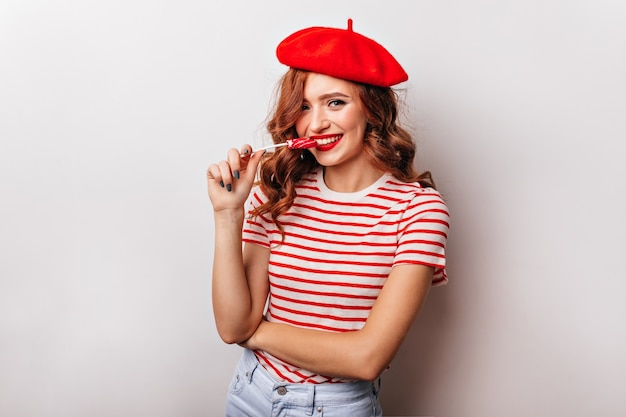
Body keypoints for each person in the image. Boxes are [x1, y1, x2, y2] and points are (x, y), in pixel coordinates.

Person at [206, 18, 450, 417]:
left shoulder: (418, 211)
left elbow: (366, 359)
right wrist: (228, 213)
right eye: (303, 106)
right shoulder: (279, 191)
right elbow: (233, 325)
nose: (316, 123)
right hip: (249, 392)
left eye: (335, 102)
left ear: (372, 108)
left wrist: (256, 333)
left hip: (334, 408)